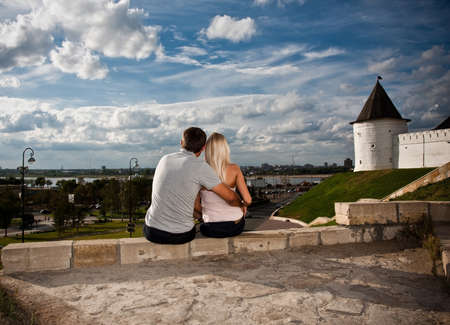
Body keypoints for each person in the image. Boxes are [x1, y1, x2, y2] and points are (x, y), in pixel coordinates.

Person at [143, 127, 244, 245]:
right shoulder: (201, 167)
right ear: (203, 148)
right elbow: (231, 198)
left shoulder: (164, 159)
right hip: (179, 235)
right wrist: (241, 205)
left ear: (181, 143)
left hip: (151, 231)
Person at [195, 132, 252, 238]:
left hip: (211, 227)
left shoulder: (198, 171)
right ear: (225, 149)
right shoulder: (234, 169)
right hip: (236, 225)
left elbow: (196, 206)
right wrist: (243, 205)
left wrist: (206, 214)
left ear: (207, 150)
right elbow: (248, 200)